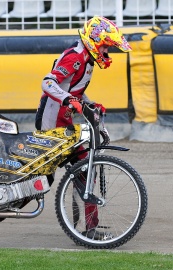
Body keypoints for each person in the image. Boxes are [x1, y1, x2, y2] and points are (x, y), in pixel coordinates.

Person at [35, 16, 132, 238]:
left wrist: (90, 104)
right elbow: (47, 83)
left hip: (65, 123)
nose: (107, 52)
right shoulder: (75, 58)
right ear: (94, 41)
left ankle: (90, 229)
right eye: (106, 46)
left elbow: (74, 92)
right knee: (41, 179)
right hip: (50, 124)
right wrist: (70, 100)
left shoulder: (87, 61)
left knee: (86, 171)